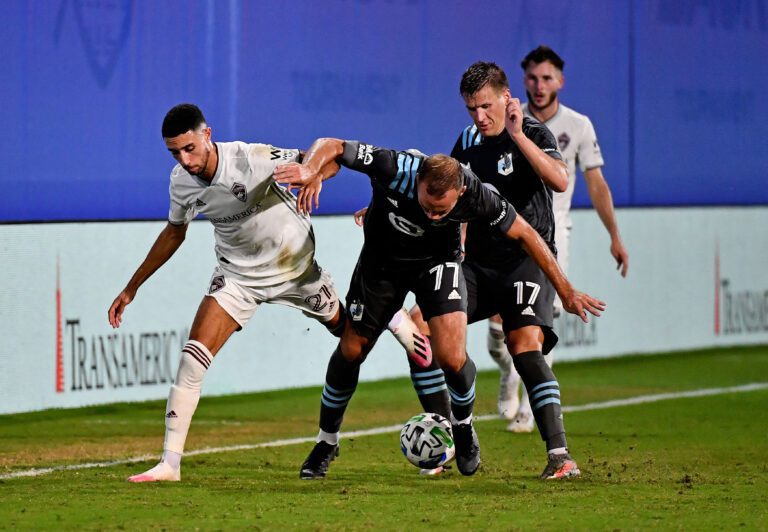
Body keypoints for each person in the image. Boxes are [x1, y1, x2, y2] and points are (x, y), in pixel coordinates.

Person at [107, 103, 426, 483]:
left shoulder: (251, 158)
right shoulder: (180, 182)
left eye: (189, 147)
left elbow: (329, 160)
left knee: (350, 338)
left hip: (296, 270)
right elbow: (174, 233)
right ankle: (169, 464)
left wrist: (313, 174)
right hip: (238, 276)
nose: (184, 159)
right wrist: (132, 287)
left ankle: (389, 314)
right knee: (193, 358)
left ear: (207, 135)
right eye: (175, 152)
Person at [274, 138, 604, 480]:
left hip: (437, 266)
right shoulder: (395, 166)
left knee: (451, 357)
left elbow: (525, 233)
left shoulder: (476, 193)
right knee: (351, 350)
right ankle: (327, 442)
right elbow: (335, 146)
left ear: (459, 193)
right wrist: (311, 169)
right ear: (417, 183)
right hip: (381, 267)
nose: (432, 215)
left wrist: (565, 291)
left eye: (440, 212)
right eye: (426, 206)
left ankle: (461, 426)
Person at [492, 46, 630, 433]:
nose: (539, 86)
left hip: (553, 235)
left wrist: (614, 236)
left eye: (547, 78)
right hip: (504, 232)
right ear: (523, 82)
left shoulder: (579, 125)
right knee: (496, 332)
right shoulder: (505, 121)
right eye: (533, 78)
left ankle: (529, 409)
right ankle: (507, 370)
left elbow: (596, 183)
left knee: (540, 322)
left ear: (560, 81)